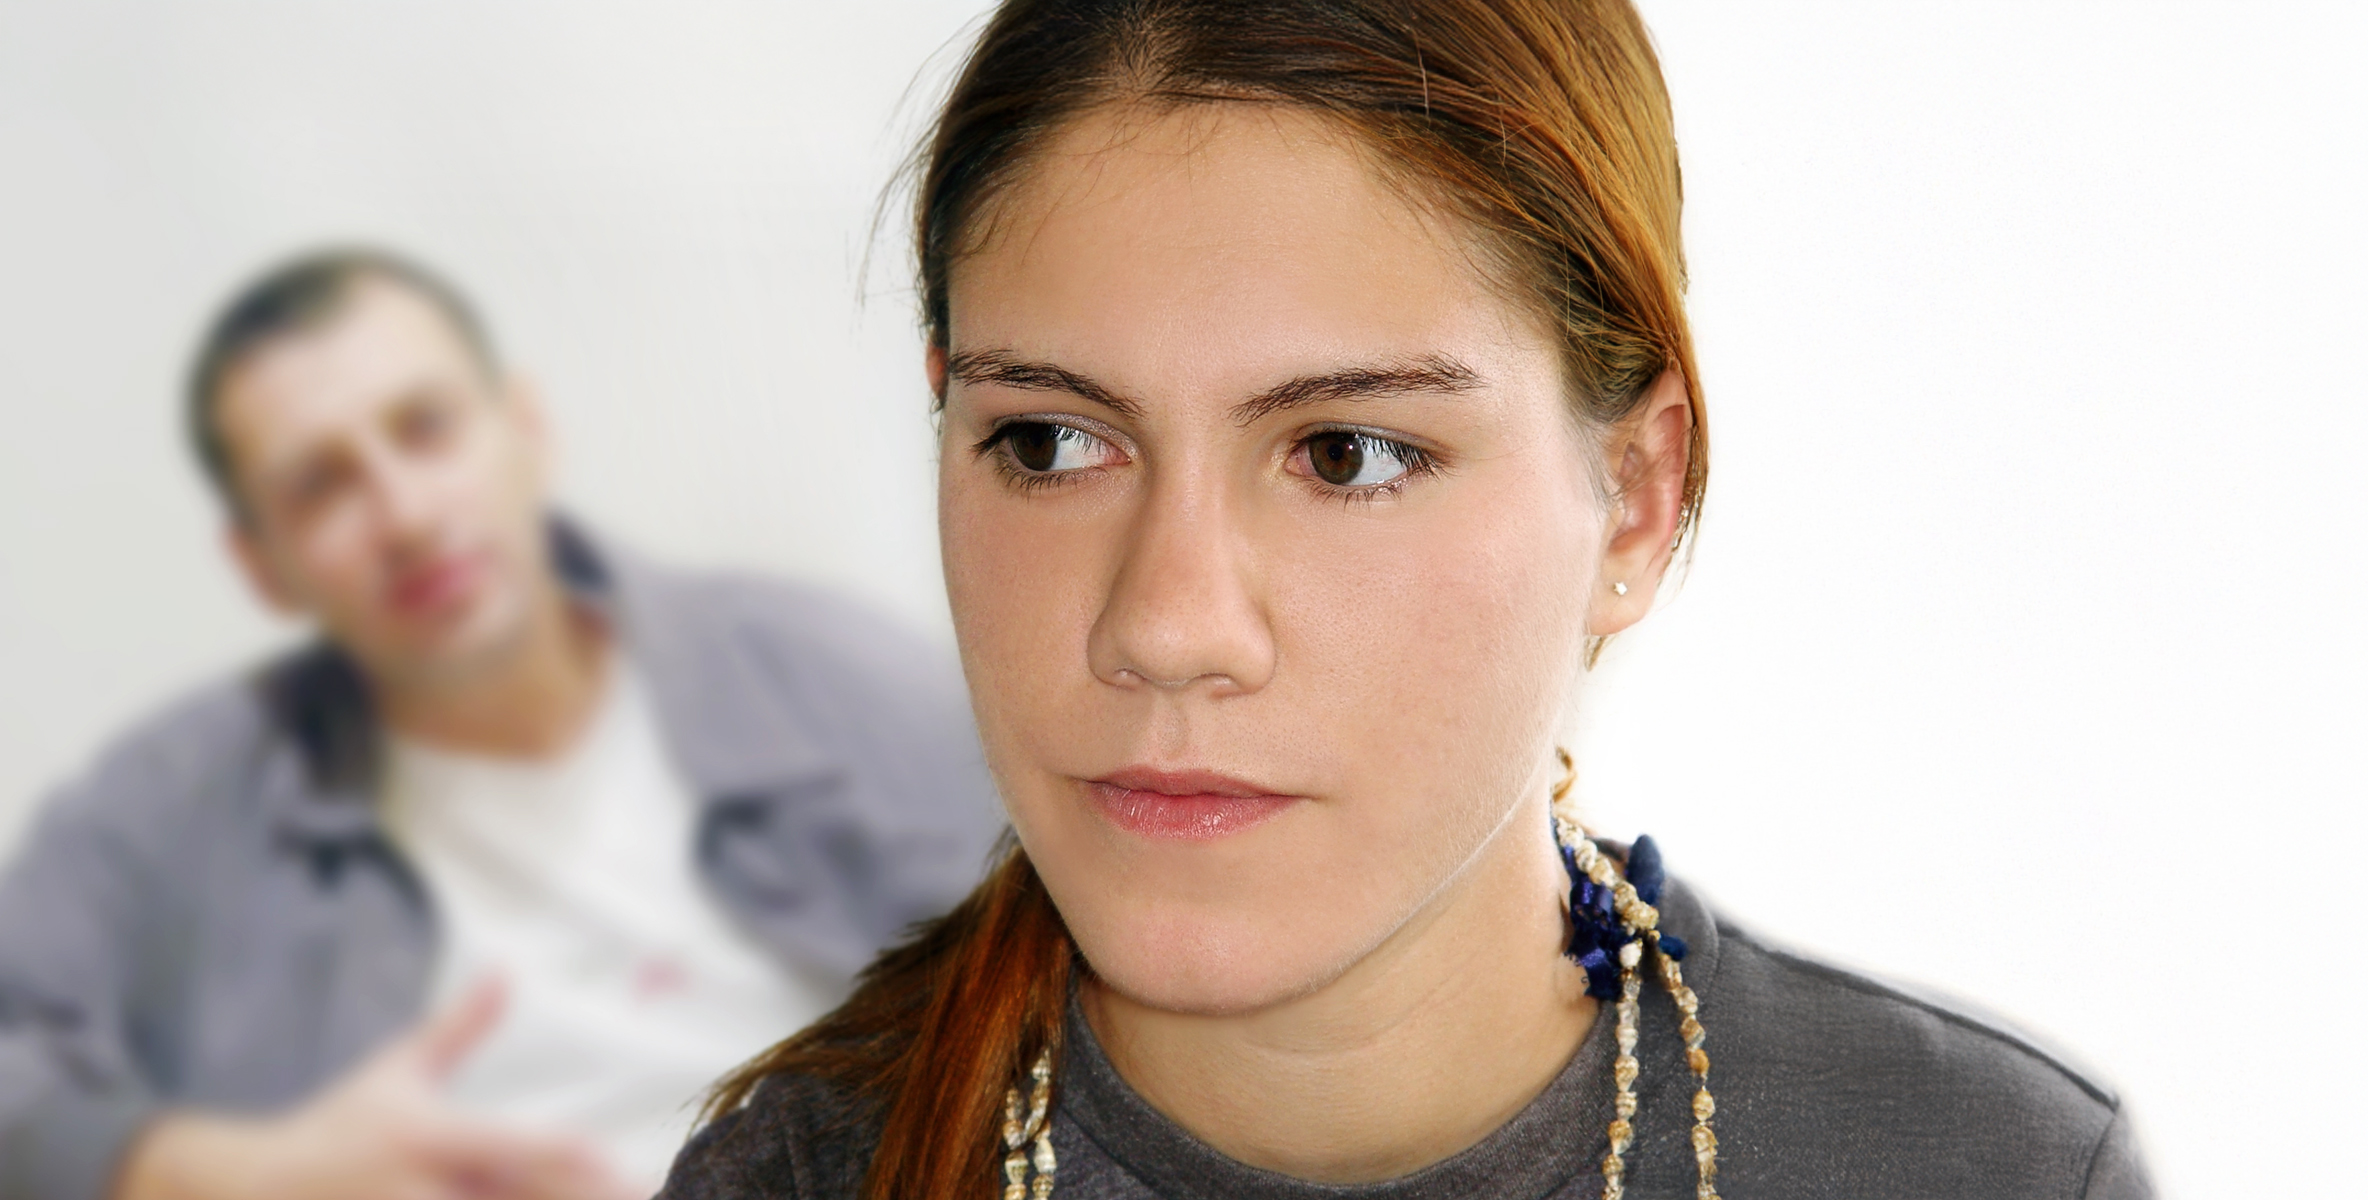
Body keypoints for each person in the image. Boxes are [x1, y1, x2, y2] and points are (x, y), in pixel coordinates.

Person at [660, 1, 2157, 1198]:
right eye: (1051, 442)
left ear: (1632, 494)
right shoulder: (798, 1173)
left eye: (1348, 453)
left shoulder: (1984, 1172)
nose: (1166, 623)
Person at [0, 249, 1001, 1200]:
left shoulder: (828, 681)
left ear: (522, 426)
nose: (403, 513)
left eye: (425, 428)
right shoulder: (181, 802)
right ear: (261, 562)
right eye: (319, 485)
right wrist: (226, 1173)